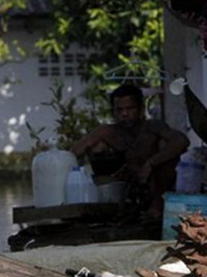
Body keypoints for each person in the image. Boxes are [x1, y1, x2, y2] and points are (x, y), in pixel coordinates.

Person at [71, 84, 189, 218]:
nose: (124, 114)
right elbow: (73, 153)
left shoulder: (153, 127)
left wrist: (151, 163)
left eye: (130, 109)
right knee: (98, 149)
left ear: (140, 109)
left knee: (166, 148)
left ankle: (157, 207)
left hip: (158, 187)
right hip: (126, 189)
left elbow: (181, 141)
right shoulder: (108, 132)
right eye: (119, 110)